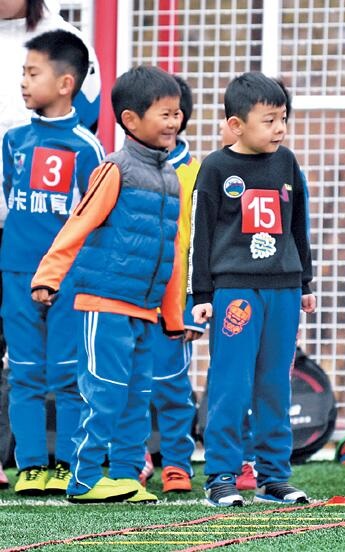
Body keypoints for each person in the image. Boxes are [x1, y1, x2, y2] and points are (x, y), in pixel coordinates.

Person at [30, 66, 185, 504]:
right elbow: (78, 223)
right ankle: (83, 480)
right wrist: (48, 277)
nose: (174, 122)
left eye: (176, 113)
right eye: (164, 113)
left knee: (137, 399)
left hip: (144, 310)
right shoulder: (114, 169)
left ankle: (124, 475)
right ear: (131, 120)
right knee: (103, 393)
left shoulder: (171, 178)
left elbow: (172, 251)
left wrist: (173, 316)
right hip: (105, 304)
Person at [189, 72, 315, 507]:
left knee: (275, 384)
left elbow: (299, 226)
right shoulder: (215, 168)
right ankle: (221, 475)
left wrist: (304, 282)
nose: (280, 128)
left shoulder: (287, 163)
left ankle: (274, 476)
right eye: (269, 120)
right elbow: (200, 235)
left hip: (284, 290)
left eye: (283, 118)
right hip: (235, 292)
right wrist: (201, 295)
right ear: (236, 125)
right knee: (231, 384)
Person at [0, 0, 102, 481]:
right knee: (23, 370)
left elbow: (93, 213)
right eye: (22, 72)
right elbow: (11, 195)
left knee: (66, 371)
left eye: (32, 74)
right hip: (16, 268)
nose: (22, 82)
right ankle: (30, 465)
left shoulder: (87, 147)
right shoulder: (13, 141)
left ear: (65, 84)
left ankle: (67, 463)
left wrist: (70, 266)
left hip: (67, 274)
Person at [144, 75, 205, 493]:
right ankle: (134, 458)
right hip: (130, 297)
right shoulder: (120, 166)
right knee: (129, 387)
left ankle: (178, 464)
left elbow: (202, 242)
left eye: (171, 112)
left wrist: (193, 304)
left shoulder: (198, 172)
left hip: (174, 303)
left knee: (172, 387)